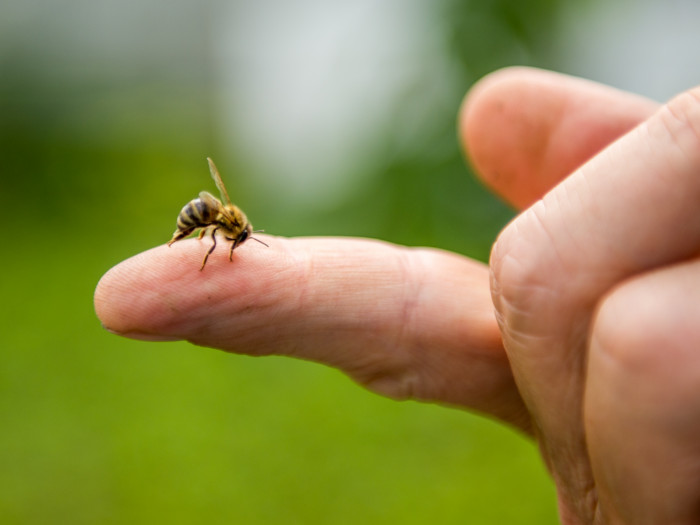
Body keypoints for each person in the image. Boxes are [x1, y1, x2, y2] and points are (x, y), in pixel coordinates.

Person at [94, 67, 700, 524]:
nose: (236, 241)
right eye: (235, 237)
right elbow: (214, 219)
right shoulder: (222, 225)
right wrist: (205, 244)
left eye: (234, 237)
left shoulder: (230, 225)